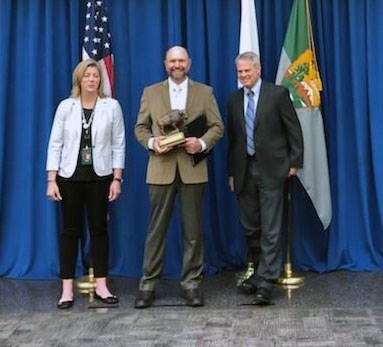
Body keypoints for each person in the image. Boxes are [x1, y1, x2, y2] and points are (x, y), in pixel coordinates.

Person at [134, 46, 224, 308]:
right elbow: (140, 127)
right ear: (165, 64)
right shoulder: (150, 93)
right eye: (172, 61)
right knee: (155, 231)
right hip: (159, 170)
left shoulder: (205, 92)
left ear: (189, 63)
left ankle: (192, 284)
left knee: (193, 232)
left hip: (192, 171)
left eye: (181, 60)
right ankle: (148, 285)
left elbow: (218, 126)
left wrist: (202, 143)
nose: (177, 64)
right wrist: (152, 142)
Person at [46, 59, 126, 309]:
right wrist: (51, 180)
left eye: (95, 75)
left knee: (99, 231)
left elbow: (118, 144)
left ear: (101, 80)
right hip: (69, 178)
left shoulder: (111, 106)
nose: (92, 79)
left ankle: (101, 285)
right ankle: (67, 289)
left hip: (100, 178)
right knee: (70, 232)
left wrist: (117, 178)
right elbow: (55, 143)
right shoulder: (65, 107)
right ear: (79, 80)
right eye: (87, 75)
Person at [227, 51, 303, 305]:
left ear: (258, 70)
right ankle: (259, 272)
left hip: (272, 169)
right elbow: (234, 141)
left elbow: (294, 129)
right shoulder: (234, 100)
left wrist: (295, 162)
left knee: (271, 226)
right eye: (239, 71)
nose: (243, 75)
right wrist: (231, 173)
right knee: (251, 226)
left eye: (247, 71)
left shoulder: (277, 94)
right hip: (244, 171)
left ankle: (268, 281)